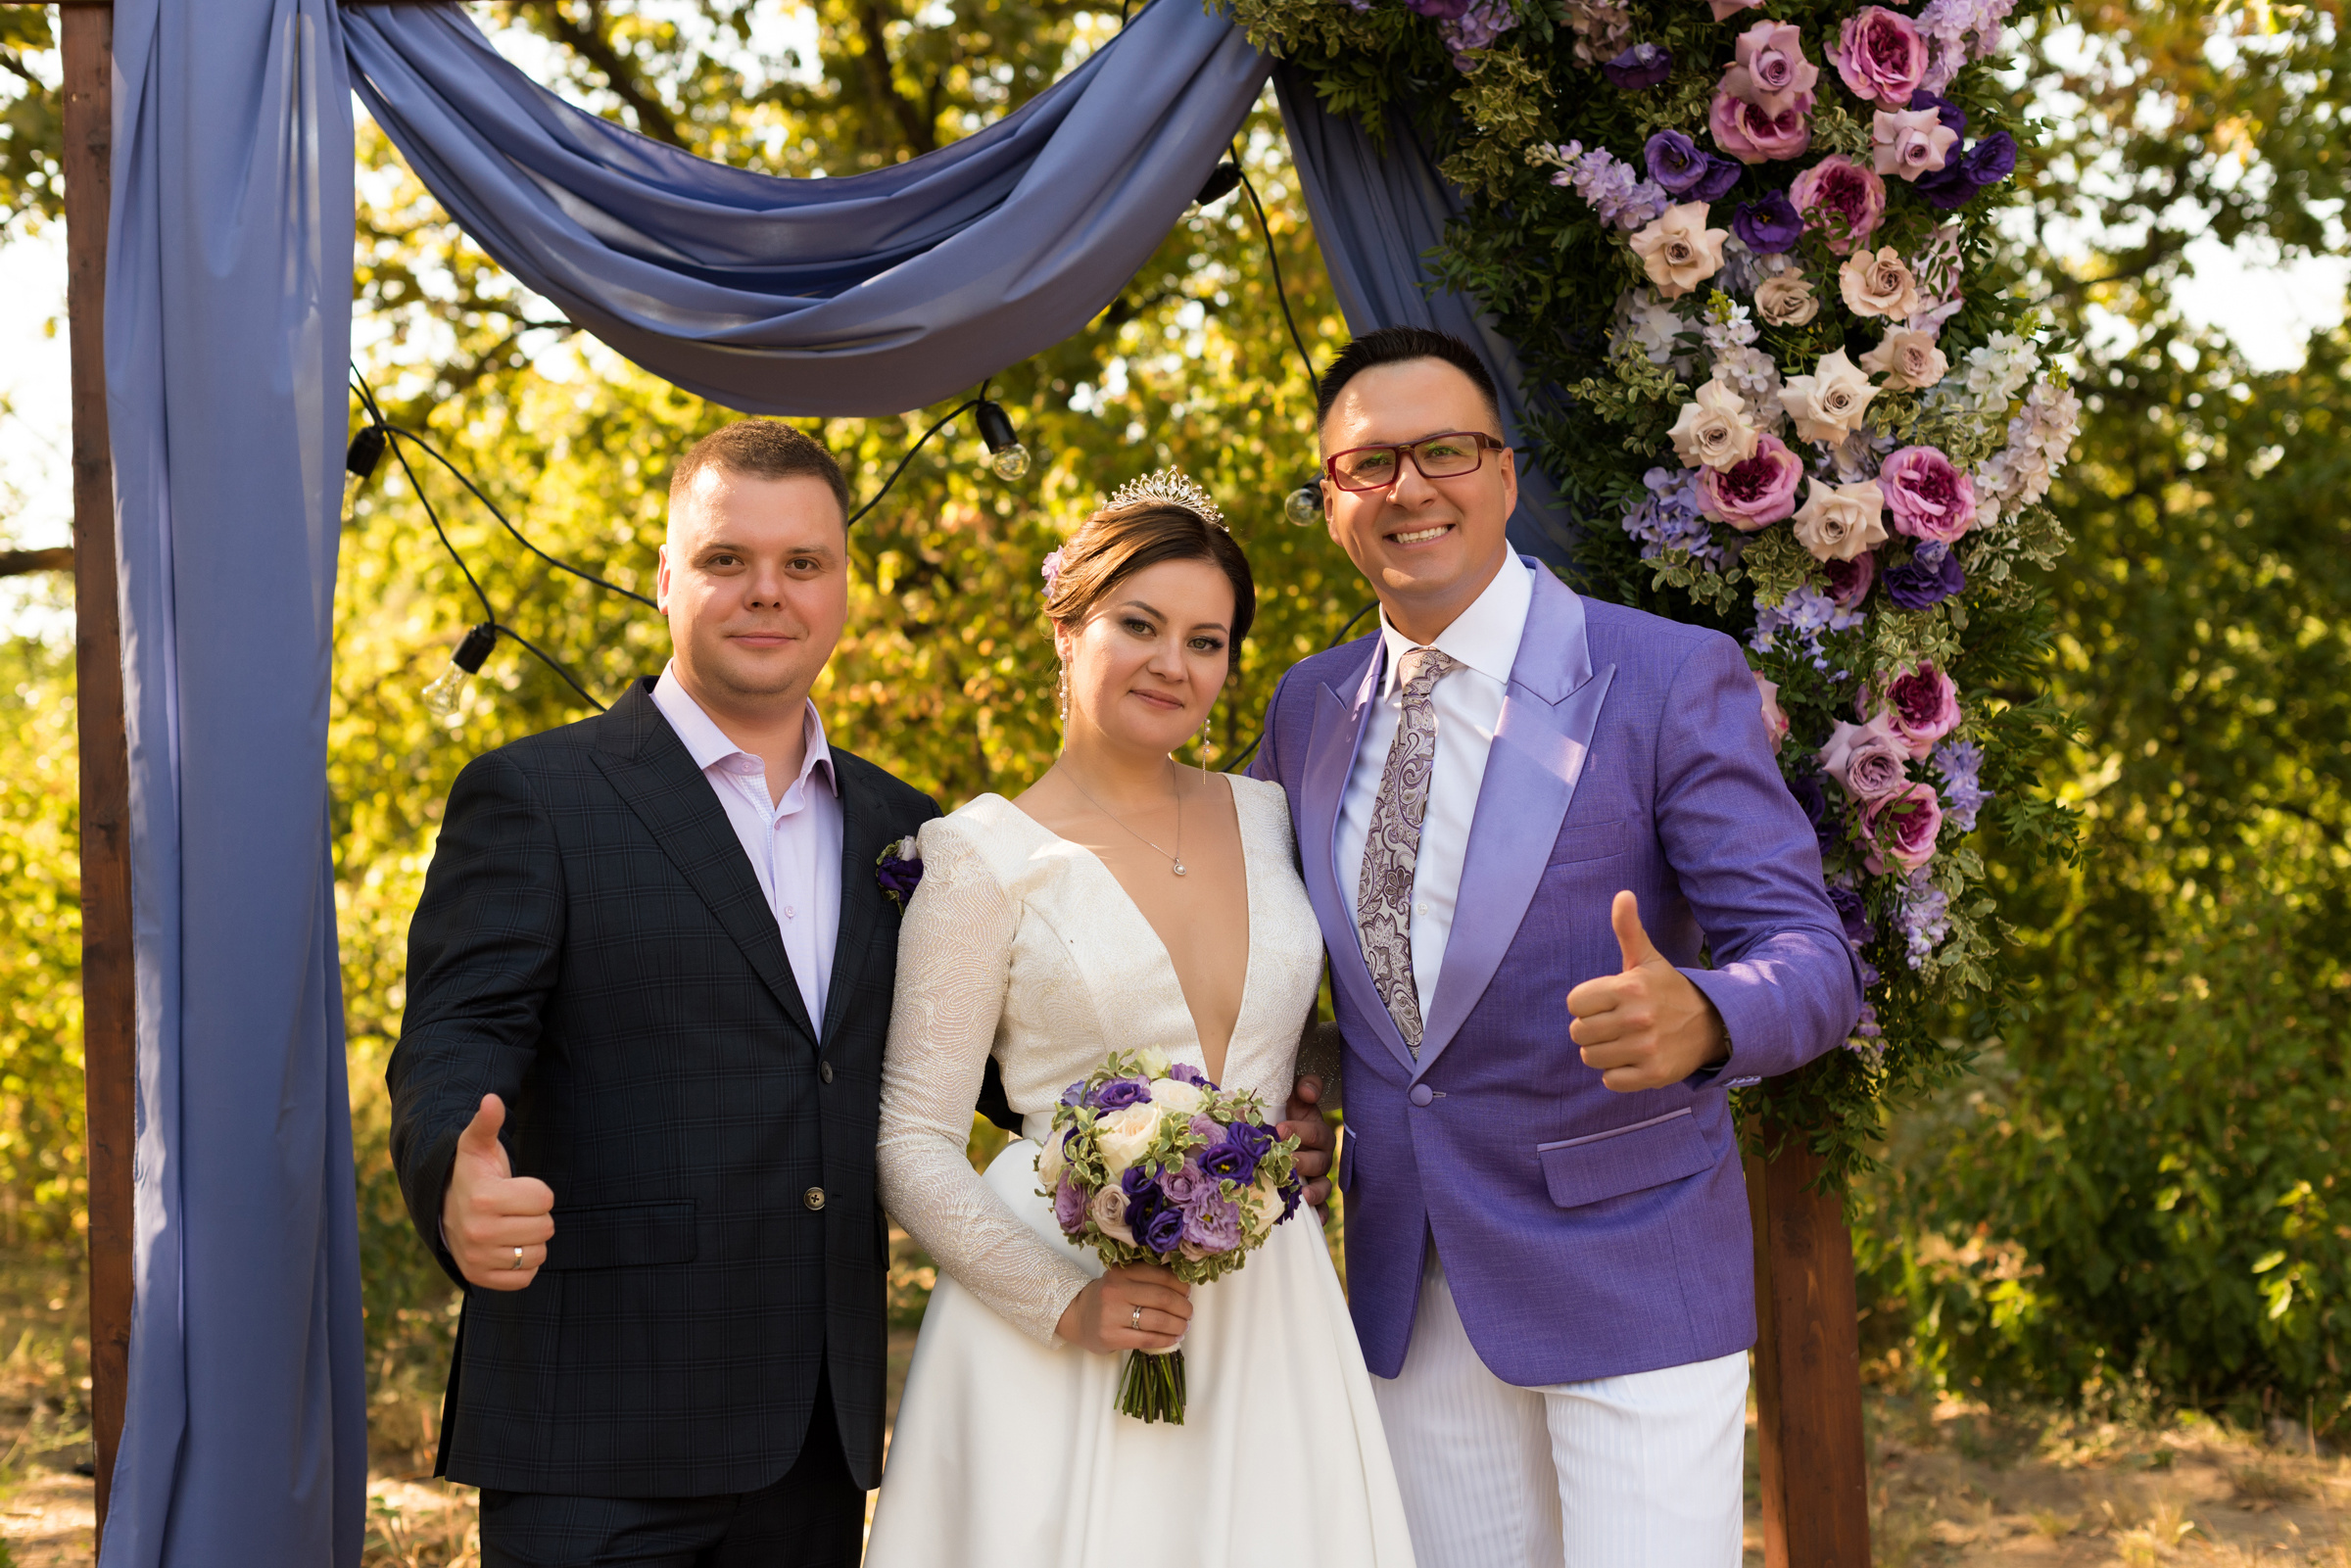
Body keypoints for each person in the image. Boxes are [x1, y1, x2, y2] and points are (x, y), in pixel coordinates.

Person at [1248, 326, 1865, 1567]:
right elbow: (1286, 971)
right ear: (1329, 501)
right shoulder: (1306, 707)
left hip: (1631, 1258)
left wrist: (1706, 1014)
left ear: (1508, 474)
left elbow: (1810, 954)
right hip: (1410, 1281)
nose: (1409, 487)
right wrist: (1297, 1093)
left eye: (1446, 451)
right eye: (1367, 464)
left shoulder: (1666, 675)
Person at [390, 419, 1014, 1567]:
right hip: (596, 1429)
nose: (765, 592)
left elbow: (996, 1059)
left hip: (815, 1437)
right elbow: (456, 1035)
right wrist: (451, 1171)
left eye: (803, 563)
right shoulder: (536, 794)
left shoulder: (907, 826)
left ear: (841, 588)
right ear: (668, 576)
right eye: (728, 559)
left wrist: (1206, 1111)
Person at [865, 475, 1416, 1567]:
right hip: (1062, 1302)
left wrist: (1310, 1107)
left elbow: (1307, 1028)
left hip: (1270, 1298)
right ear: (1066, 626)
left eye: (1206, 640)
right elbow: (910, 1140)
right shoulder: (979, 859)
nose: (1175, 661)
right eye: (1139, 623)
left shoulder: (1272, 818)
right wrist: (1067, 1303)